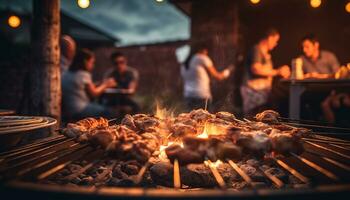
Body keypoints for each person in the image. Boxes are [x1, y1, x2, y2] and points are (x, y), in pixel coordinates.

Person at [241, 28, 290, 116]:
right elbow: (256, 69)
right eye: (275, 41)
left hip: (262, 94)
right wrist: (278, 72)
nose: (276, 44)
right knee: (252, 119)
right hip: (253, 93)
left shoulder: (266, 54)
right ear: (270, 38)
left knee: (260, 120)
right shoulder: (257, 50)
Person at [62, 48, 116, 120]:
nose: (93, 65)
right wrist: (106, 84)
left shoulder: (66, 73)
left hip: (68, 110)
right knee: (109, 111)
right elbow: (94, 94)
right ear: (85, 61)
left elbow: (82, 87)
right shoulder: (83, 74)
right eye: (92, 62)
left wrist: (101, 83)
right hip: (80, 109)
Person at [181, 43, 231, 111]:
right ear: (203, 50)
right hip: (201, 95)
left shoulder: (184, 62)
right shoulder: (202, 58)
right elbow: (218, 76)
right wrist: (227, 72)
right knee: (205, 120)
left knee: (191, 120)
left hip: (188, 95)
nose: (207, 53)